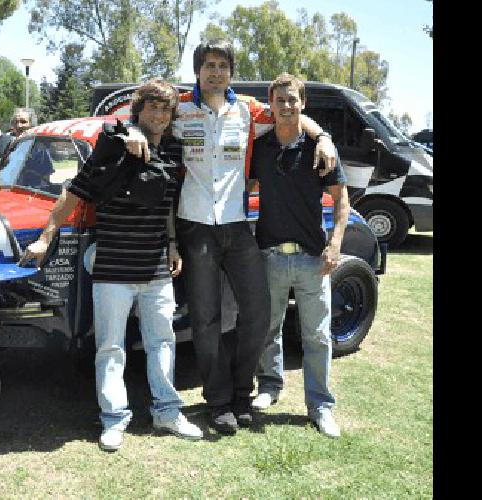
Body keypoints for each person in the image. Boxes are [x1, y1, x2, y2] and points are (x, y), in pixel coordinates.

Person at [122, 41, 338, 435]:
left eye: (223, 65)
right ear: (198, 71)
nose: (216, 72)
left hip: (238, 226)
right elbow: (136, 117)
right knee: (205, 320)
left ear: (231, 73)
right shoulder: (179, 108)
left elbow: (291, 115)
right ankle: (219, 401)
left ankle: (243, 394)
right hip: (194, 225)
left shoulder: (249, 110)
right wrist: (133, 128)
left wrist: (323, 136)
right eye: (209, 65)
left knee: (257, 313)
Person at [20, 78, 203, 452]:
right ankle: (114, 418)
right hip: (113, 267)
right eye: (152, 107)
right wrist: (45, 236)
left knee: (162, 342)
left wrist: (171, 244)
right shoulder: (114, 146)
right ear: (139, 110)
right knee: (111, 348)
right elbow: (72, 193)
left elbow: (167, 203)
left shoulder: (172, 150)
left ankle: (167, 411)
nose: (159, 114)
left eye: (166, 109)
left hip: (155, 267)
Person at [246, 73, 349, 438]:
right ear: (270, 105)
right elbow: (243, 186)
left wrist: (335, 243)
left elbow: (341, 199)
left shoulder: (320, 150)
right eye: (280, 100)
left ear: (302, 104)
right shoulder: (260, 148)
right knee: (268, 328)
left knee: (317, 336)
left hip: (312, 260)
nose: (287, 106)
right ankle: (270, 388)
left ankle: (320, 405)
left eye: (293, 100)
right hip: (270, 255)